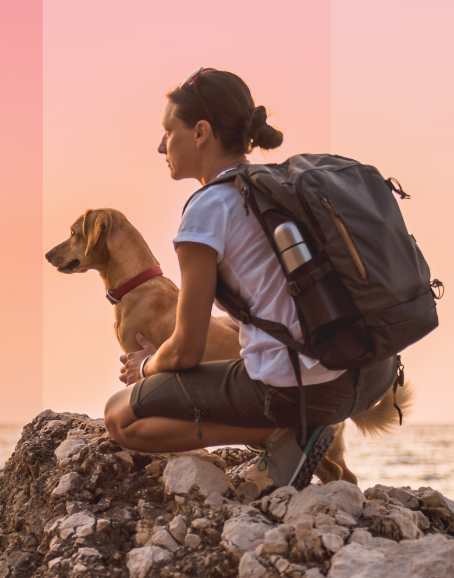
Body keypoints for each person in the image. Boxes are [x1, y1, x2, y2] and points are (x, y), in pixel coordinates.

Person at [102, 67, 398, 488]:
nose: (160, 145)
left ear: (201, 132)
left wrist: (148, 365)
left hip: (305, 391)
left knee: (119, 415)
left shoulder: (207, 211)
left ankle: (280, 434)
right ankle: (303, 429)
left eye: (168, 131)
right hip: (374, 373)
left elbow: (187, 350)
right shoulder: (282, 186)